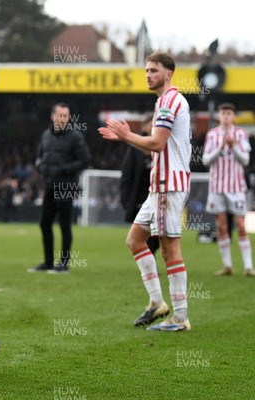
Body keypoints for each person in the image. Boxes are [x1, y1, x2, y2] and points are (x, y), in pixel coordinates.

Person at [99, 52, 191, 332]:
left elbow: (158, 144)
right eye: (147, 70)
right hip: (159, 188)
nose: (148, 74)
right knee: (135, 240)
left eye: (154, 70)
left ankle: (180, 316)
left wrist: (128, 135)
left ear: (168, 73)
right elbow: (154, 143)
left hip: (167, 186)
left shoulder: (168, 101)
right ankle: (157, 303)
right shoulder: (170, 101)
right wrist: (129, 139)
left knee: (170, 251)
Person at [29, 102, 90, 274]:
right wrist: (39, 164)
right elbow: (40, 155)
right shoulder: (46, 135)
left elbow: (85, 160)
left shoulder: (75, 136)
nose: (63, 119)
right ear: (53, 116)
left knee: (64, 224)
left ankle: (64, 264)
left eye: (65, 116)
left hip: (67, 185)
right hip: (49, 185)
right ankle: (48, 262)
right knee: (44, 224)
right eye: (60, 115)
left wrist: (64, 169)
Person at [203, 102, 254, 277]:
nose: (226, 116)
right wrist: (221, 147)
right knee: (222, 227)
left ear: (234, 116)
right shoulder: (212, 135)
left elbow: (246, 160)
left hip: (236, 187)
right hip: (217, 187)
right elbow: (206, 160)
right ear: (219, 115)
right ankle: (227, 265)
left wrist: (233, 147)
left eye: (229, 113)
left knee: (240, 225)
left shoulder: (241, 134)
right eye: (223, 113)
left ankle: (248, 266)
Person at [119, 114, 159, 255]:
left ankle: (151, 267)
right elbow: (127, 173)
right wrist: (125, 198)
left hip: (159, 195)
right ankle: (150, 267)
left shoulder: (163, 143)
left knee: (158, 237)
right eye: (152, 123)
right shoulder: (135, 148)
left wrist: (126, 136)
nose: (154, 126)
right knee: (138, 238)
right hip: (140, 197)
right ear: (145, 126)